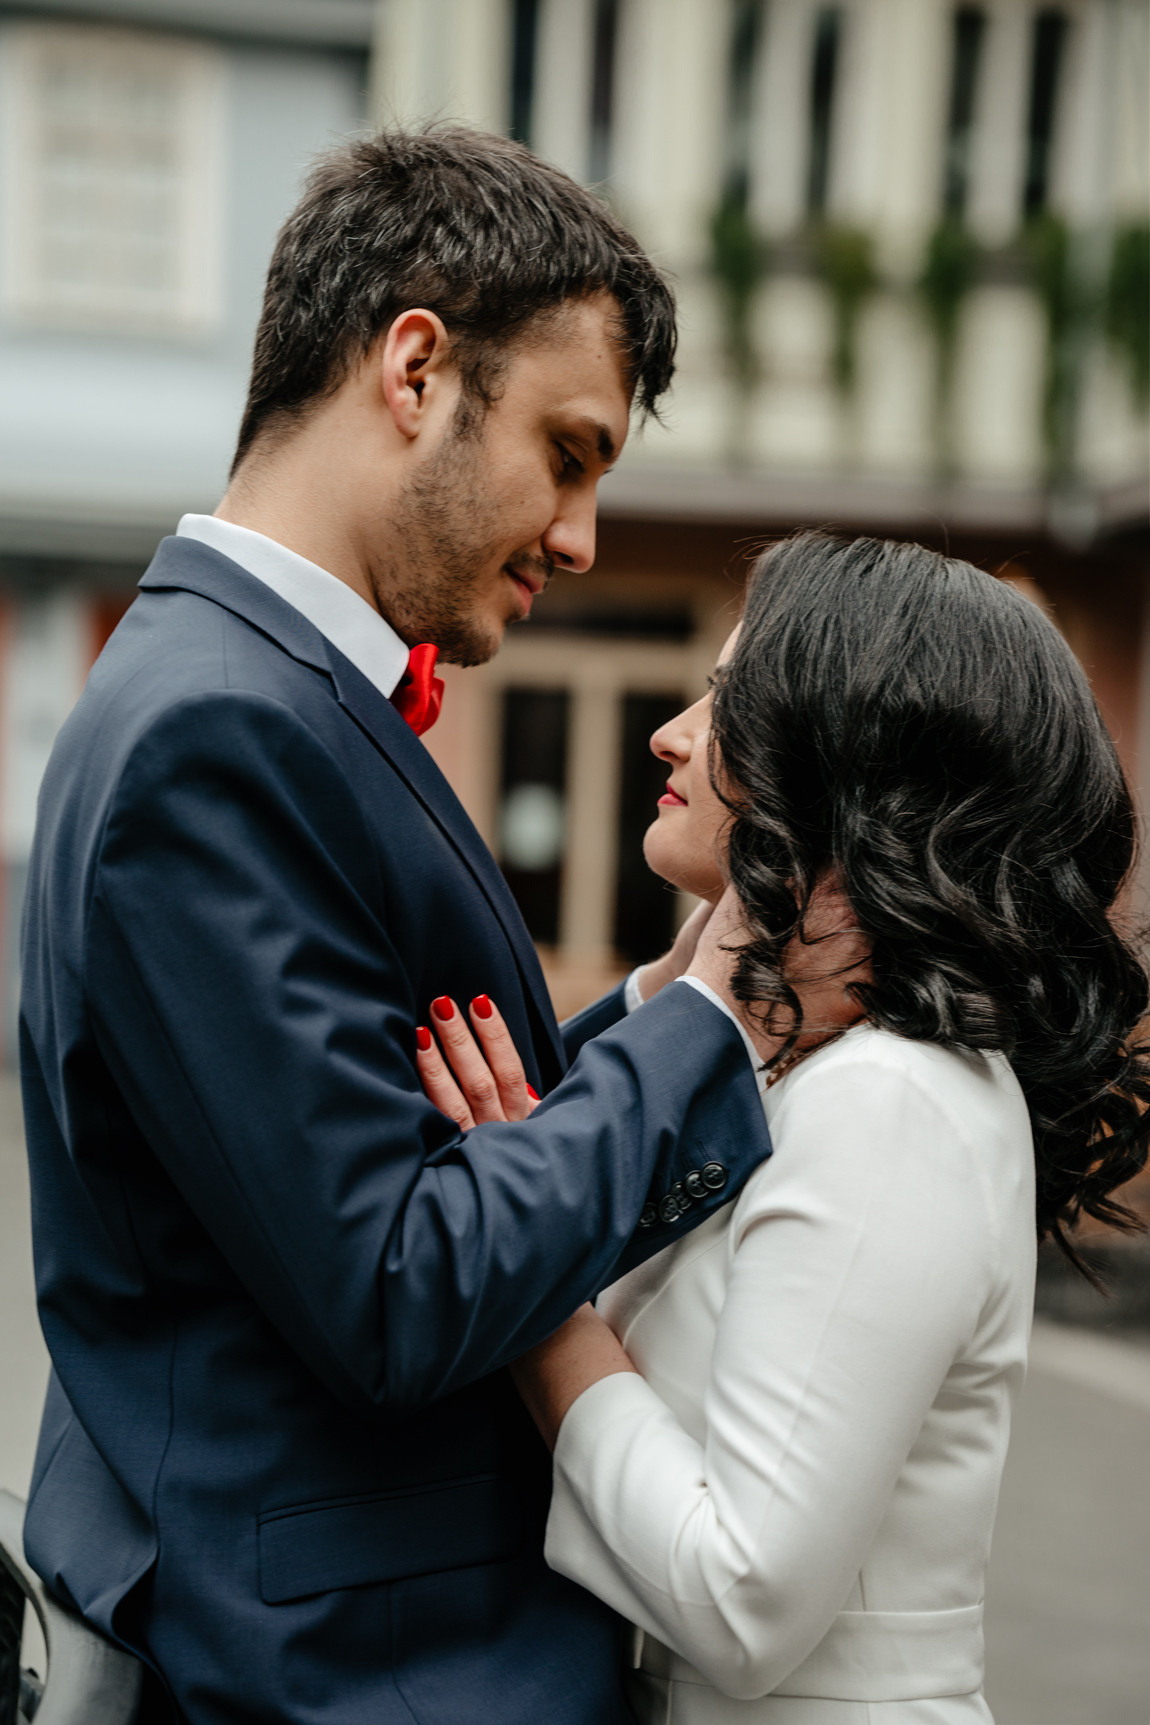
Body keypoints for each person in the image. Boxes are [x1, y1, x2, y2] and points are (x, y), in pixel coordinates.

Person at [17, 127, 808, 1725]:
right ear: (416, 368)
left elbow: (393, 1131)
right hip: (355, 1676)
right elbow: (396, 1280)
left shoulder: (263, 697)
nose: (578, 538)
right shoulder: (215, 736)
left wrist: (650, 1000)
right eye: (568, 454)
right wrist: (711, 1020)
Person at [418, 534, 1150, 1724]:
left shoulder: (894, 1102)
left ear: (847, 768)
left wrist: (532, 1301)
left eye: (726, 700)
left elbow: (741, 1597)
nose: (672, 733)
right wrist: (677, 991)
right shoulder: (799, 1068)